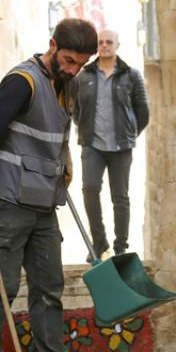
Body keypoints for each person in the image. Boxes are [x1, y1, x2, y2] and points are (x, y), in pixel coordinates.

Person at [0, 18, 98, 352]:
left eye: (80, 65)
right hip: (8, 203)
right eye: (69, 60)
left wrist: (64, 162)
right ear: (52, 45)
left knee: (49, 293)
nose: (73, 70)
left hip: (44, 207)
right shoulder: (23, 81)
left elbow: (49, 134)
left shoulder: (68, 85)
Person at [72, 29, 150, 259]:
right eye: (100, 42)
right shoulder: (83, 76)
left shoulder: (131, 75)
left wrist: (129, 134)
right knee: (90, 190)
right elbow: (75, 110)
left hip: (121, 146)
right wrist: (86, 129)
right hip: (92, 145)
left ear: (117, 44)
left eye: (109, 42)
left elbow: (143, 112)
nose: (104, 45)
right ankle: (98, 242)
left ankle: (120, 245)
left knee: (120, 195)